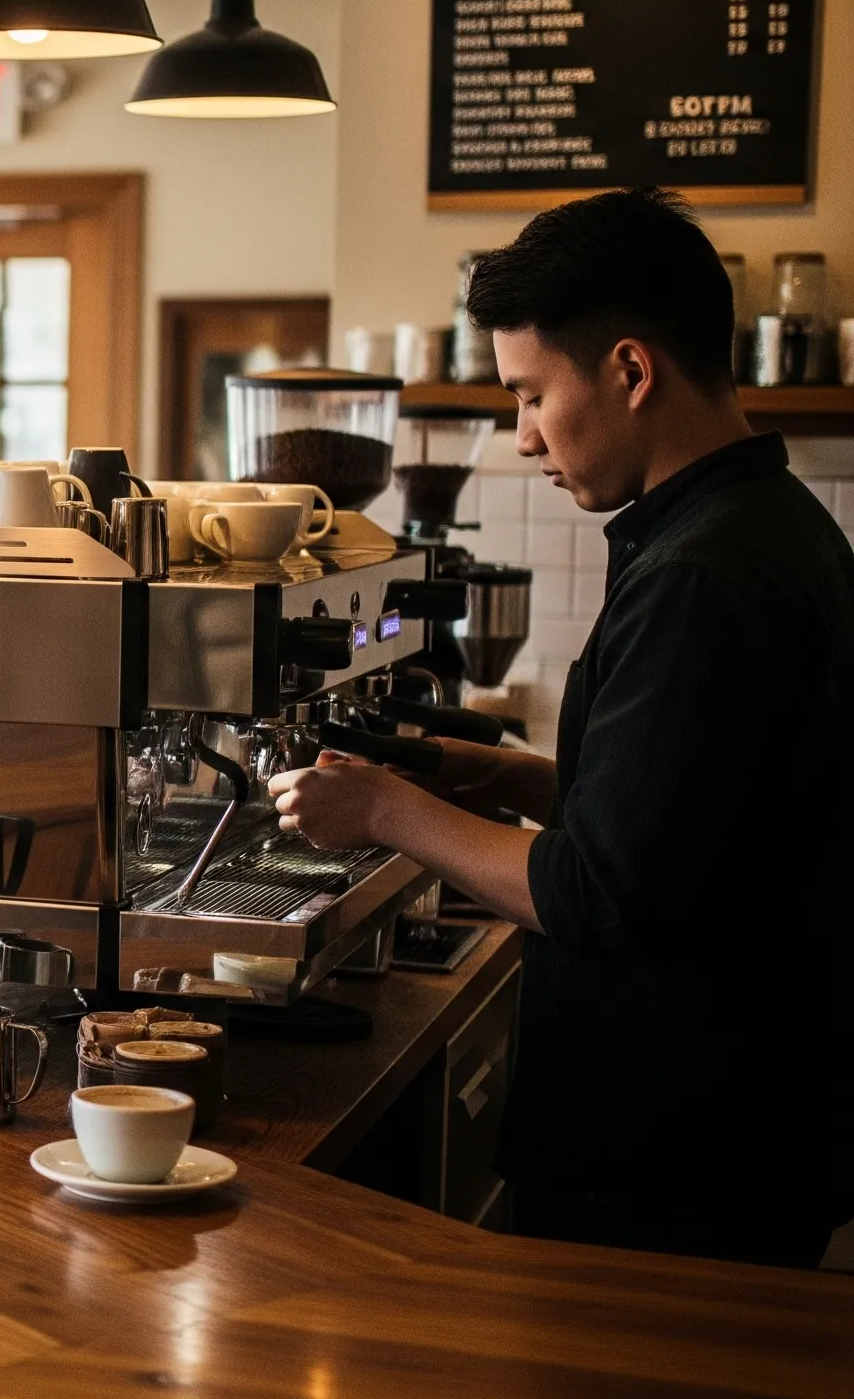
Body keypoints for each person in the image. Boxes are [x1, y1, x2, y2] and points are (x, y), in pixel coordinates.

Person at [267, 188, 854, 1268]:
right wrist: (495, 773)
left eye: (532, 395)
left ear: (629, 372)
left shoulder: (703, 578)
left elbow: (592, 892)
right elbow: (696, 815)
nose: (523, 437)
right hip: (744, 1116)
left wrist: (384, 808)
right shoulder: (767, 525)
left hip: (674, 1147)